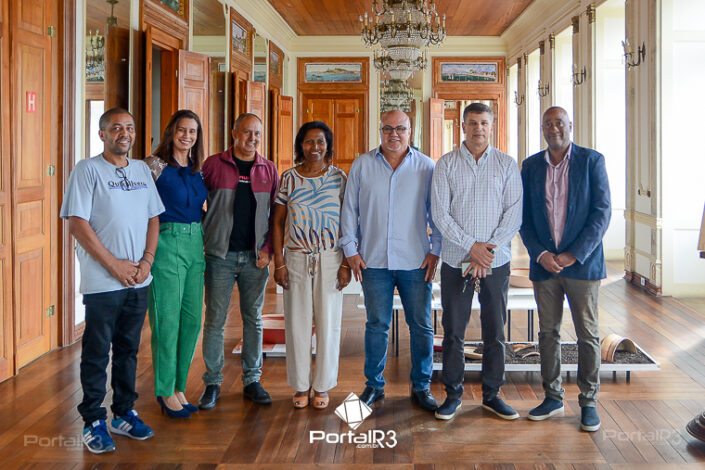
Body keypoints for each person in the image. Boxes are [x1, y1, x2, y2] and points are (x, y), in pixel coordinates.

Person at [60, 107, 164, 453]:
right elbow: (77, 223)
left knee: (128, 350)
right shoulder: (87, 170)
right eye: (116, 128)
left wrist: (146, 262)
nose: (124, 133)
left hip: (138, 279)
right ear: (102, 134)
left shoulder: (141, 170)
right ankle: (93, 419)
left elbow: (153, 219)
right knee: (96, 351)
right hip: (103, 282)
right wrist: (114, 266)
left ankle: (123, 413)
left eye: (129, 128)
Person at [340, 109, 441, 411]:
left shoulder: (427, 167)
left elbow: (436, 213)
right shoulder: (362, 165)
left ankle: (421, 386)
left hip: (415, 261)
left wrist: (436, 250)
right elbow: (349, 210)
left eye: (400, 128)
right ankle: (374, 386)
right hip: (373, 261)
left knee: (421, 325)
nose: (394, 134)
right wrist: (350, 250)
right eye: (387, 128)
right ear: (380, 130)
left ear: (411, 131)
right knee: (376, 325)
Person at [520, 106, 611, 432]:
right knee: (548, 333)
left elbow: (602, 213)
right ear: (542, 128)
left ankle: (589, 401)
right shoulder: (530, 166)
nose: (554, 128)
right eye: (548, 123)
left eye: (559, 122)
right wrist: (540, 253)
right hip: (545, 266)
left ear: (570, 125)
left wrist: (574, 254)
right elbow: (524, 217)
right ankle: (552, 396)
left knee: (587, 334)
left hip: (581, 266)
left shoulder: (591, 161)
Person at [431, 102, 523, 421]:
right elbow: (440, 214)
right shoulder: (445, 165)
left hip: (495, 262)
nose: (478, 128)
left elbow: (513, 215)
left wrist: (487, 252)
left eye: (484, 123)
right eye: (472, 123)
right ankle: (453, 395)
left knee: (494, 330)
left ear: (491, 126)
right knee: (453, 331)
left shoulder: (507, 165)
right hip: (456, 260)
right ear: (463, 127)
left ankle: (492, 395)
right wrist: (472, 247)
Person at [198, 113, 279, 409]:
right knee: (215, 320)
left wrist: (268, 249)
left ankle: (252, 380)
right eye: (246, 132)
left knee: (253, 319)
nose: (252, 138)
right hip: (219, 256)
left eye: (257, 133)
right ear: (234, 132)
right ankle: (213, 382)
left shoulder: (268, 169)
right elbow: (195, 202)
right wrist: (206, 234)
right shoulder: (213, 165)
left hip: (255, 258)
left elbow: (276, 215)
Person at [272, 121, 350, 409]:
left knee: (328, 324)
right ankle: (301, 385)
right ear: (300, 145)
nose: (314, 147)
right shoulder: (288, 178)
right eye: (308, 141)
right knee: (297, 324)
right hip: (296, 257)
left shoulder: (339, 178)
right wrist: (279, 262)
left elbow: (349, 222)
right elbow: (277, 222)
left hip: (330, 257)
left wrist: (346, 263)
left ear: (327, 146)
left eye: (320, 142)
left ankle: (322, 385)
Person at [145, 110, 208, 418]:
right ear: (171, 131)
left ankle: (180, 385)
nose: (187, 136)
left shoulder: (197, 170)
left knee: (192, 319)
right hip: (166, 241)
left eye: (192, 131)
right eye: (182, 130)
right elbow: (141, 208)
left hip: (196, 243)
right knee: (167, 320)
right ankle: (165, 389)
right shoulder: (153, 166)